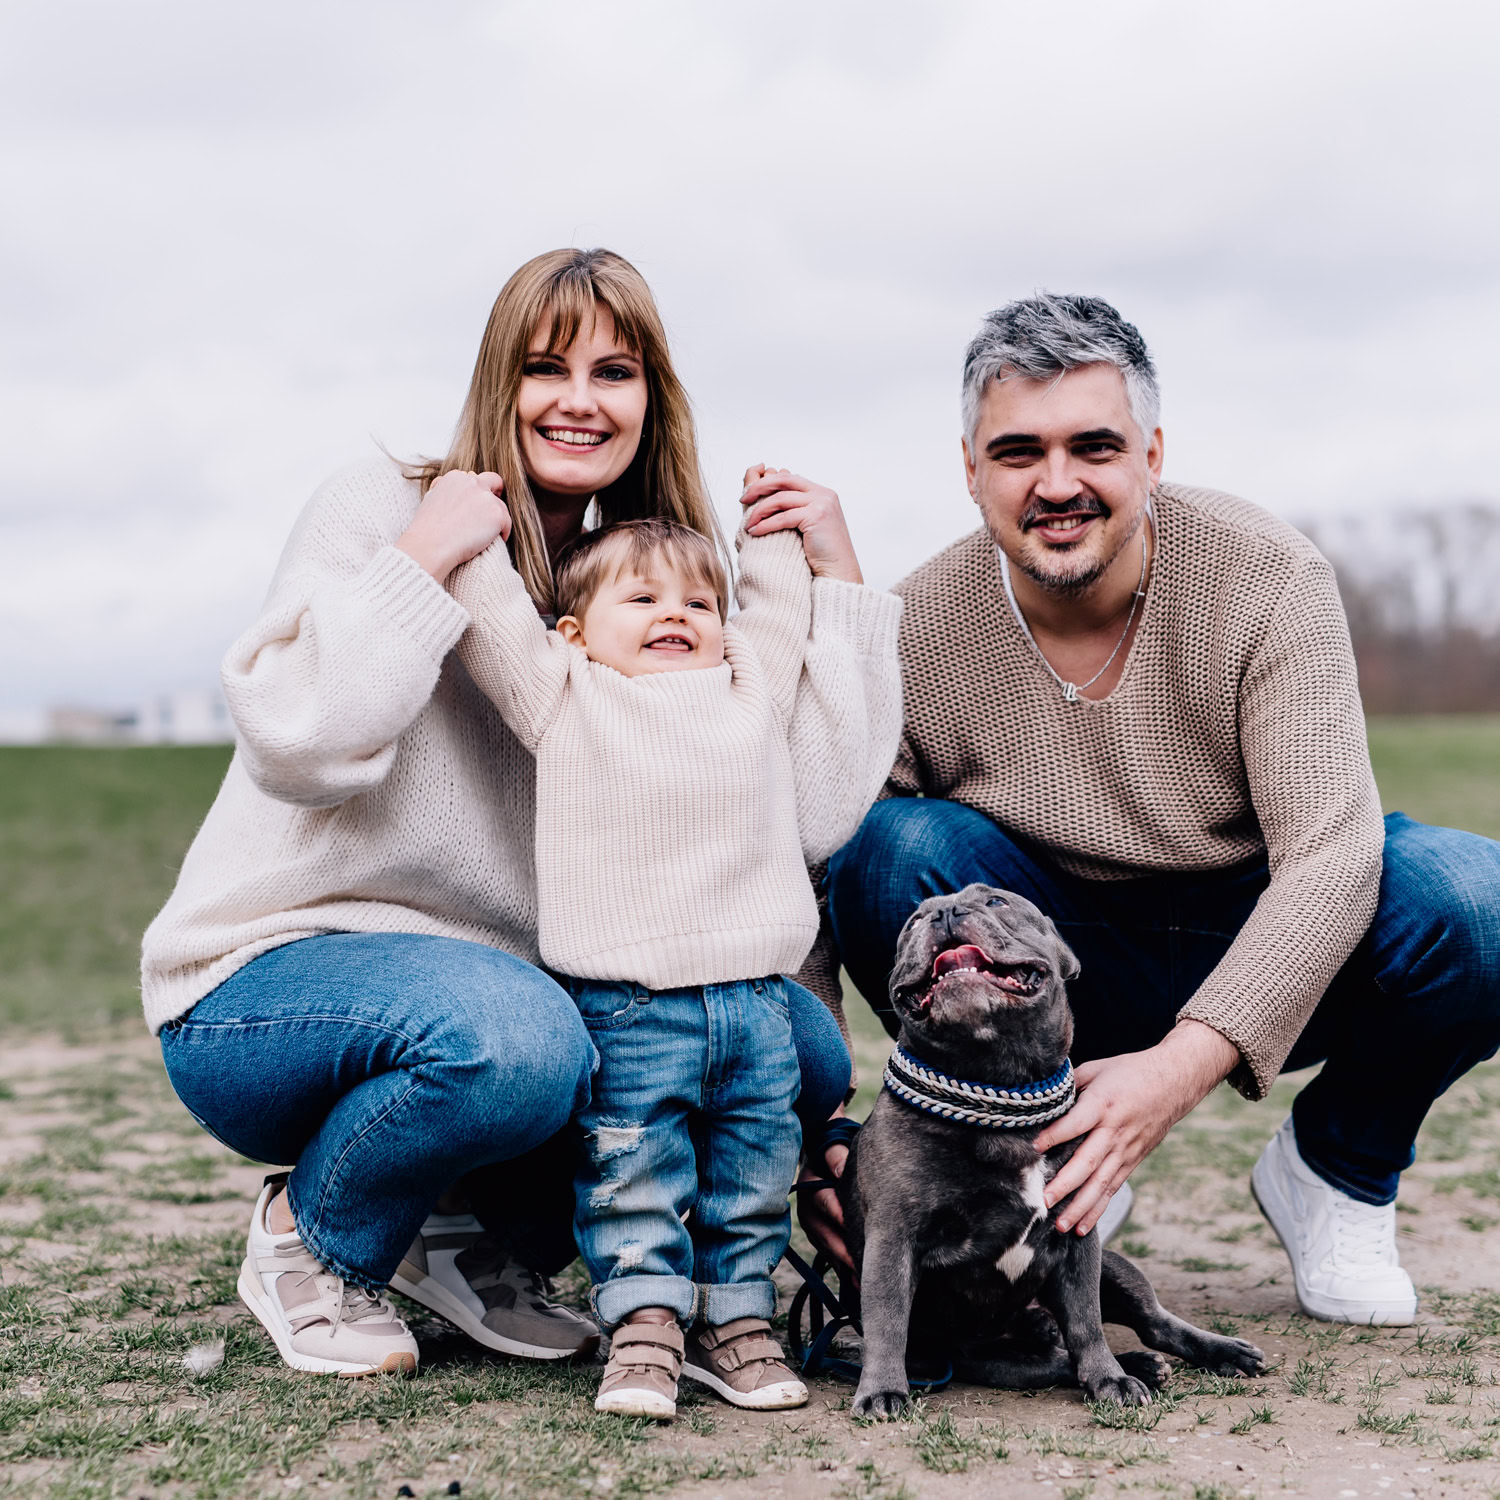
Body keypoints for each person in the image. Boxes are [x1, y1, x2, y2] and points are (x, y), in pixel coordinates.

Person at [141, 247, 902, 1377]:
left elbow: (800, 814)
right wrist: (422, 558)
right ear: (503, 379)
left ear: (654, 399)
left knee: (790, 1049)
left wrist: (836, 585)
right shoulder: (392, 503)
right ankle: (312, 1232)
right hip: (277, 983)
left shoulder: (645, 580)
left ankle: (459, 1233)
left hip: (510, 993)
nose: (582, 400)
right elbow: (300, 742)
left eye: (617, 371)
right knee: (520, 1045)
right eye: (548, 368)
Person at [811, 292, 1500, 1327]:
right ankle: (1042, 1160)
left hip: (1255, 930)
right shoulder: (915, 626)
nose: (1057, 484)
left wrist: (1178, 1072)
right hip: (1046, 961)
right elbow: (821, 870)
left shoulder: (1267, 577)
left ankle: (1340, 1172)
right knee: (892, 846)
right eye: (1017, 452)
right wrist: (817, 1116)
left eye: (1094, 445)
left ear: (1152, 452)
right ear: (968, 469)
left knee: (1476, 901)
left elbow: (1331, 855)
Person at [449, 510, 893, 1419]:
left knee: (754, 1179)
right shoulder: (565, 694)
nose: (677, 612)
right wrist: (474, 530)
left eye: (698, 599)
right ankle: (644, 1326)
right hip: (628, 1010)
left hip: (759, 1008)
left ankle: (737, 1322)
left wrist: (772, 536)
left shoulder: (748, 686)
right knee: (631, 1175)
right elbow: (496, 626)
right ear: (573, 635)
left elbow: (774, 615)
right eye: (643, 597)